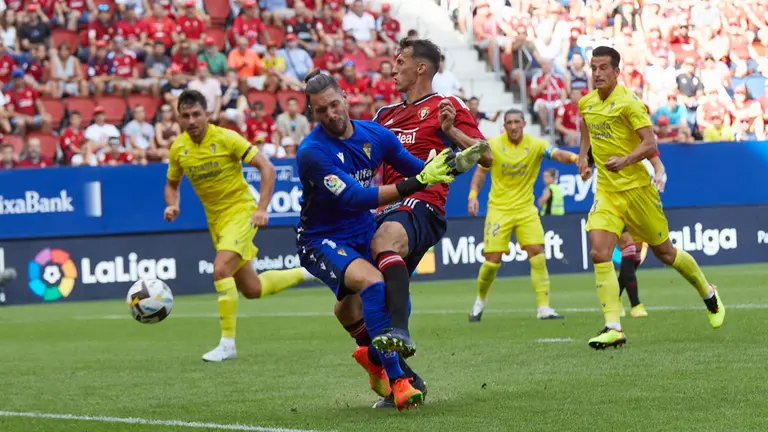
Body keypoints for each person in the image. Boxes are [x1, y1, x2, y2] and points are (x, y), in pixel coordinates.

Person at [296, 70, 482, 411]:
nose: (331, 114)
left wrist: (451, 164)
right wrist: (418, 181)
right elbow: (355, 197)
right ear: (313, 113)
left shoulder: (374, 134)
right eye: (321, 110)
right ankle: (399, 382)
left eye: (335, 105)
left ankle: (375, 356)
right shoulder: (312, 152)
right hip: (321, 239)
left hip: (362, 230)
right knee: (373, 283)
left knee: (351, 307)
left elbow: (417, 169)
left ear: (346, 99)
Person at [577, 46, 724, 350]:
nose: (598, 73)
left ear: (617, 72)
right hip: (607, 191)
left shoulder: (629, 103)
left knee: (666, 253)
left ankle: (708, 293)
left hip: (638, 192)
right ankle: (613, 326)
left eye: (604, 68)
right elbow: (585, 128)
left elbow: (650, 143)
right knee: (599, 252)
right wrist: (583, 156)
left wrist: (626, 160)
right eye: (594, 68)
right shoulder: (586, 103)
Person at [163, 90, 313, 362]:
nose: (192, 120)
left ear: (208, 114)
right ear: (179, 118)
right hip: (216, 221)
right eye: (185, 116)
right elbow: (172, 184)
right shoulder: (179, 148)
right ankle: (307, 272)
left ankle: (227, 344)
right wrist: (173, 205)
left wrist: (261, 209)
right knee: (252, 289)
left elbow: (267, 168)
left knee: (220, 270)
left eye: (197, 114)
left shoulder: (226, 138)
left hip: (241, 212)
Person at [368, 38, 492, 358]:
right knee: (358, 302)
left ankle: (401, 331)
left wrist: (451, 131)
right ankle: (404, 381)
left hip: (423, 203)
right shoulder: (384, 114)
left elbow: (486, 155)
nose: (392, 68)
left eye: (399, 62)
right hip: (387, 205)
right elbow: (364, 159)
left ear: (420, 68)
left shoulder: (446, 105)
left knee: (385, 241)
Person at [467, 109, 577, 322]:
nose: (514, 126)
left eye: (517, 121)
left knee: (537, 254)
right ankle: (479, 301)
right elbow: (480, 172)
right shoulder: (493, 146)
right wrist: (473, 195)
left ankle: (544, 308)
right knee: (492, 261)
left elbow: (557, 154)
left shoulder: (535, 145)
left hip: (526, 210)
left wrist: (576, 157)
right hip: (499, 209)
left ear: (525, 123)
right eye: (509, 122)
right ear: (504, 126)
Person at [586, 147, 667, 319]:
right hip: (614, 202)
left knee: (635, 258)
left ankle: (616, 296)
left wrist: (659, 176)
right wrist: (586, 163)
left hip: (639, 205)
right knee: (628, 249)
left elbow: (658, 171)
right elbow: (594, 147)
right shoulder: (615, 141)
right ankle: (636, 304)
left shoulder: (644, 155)